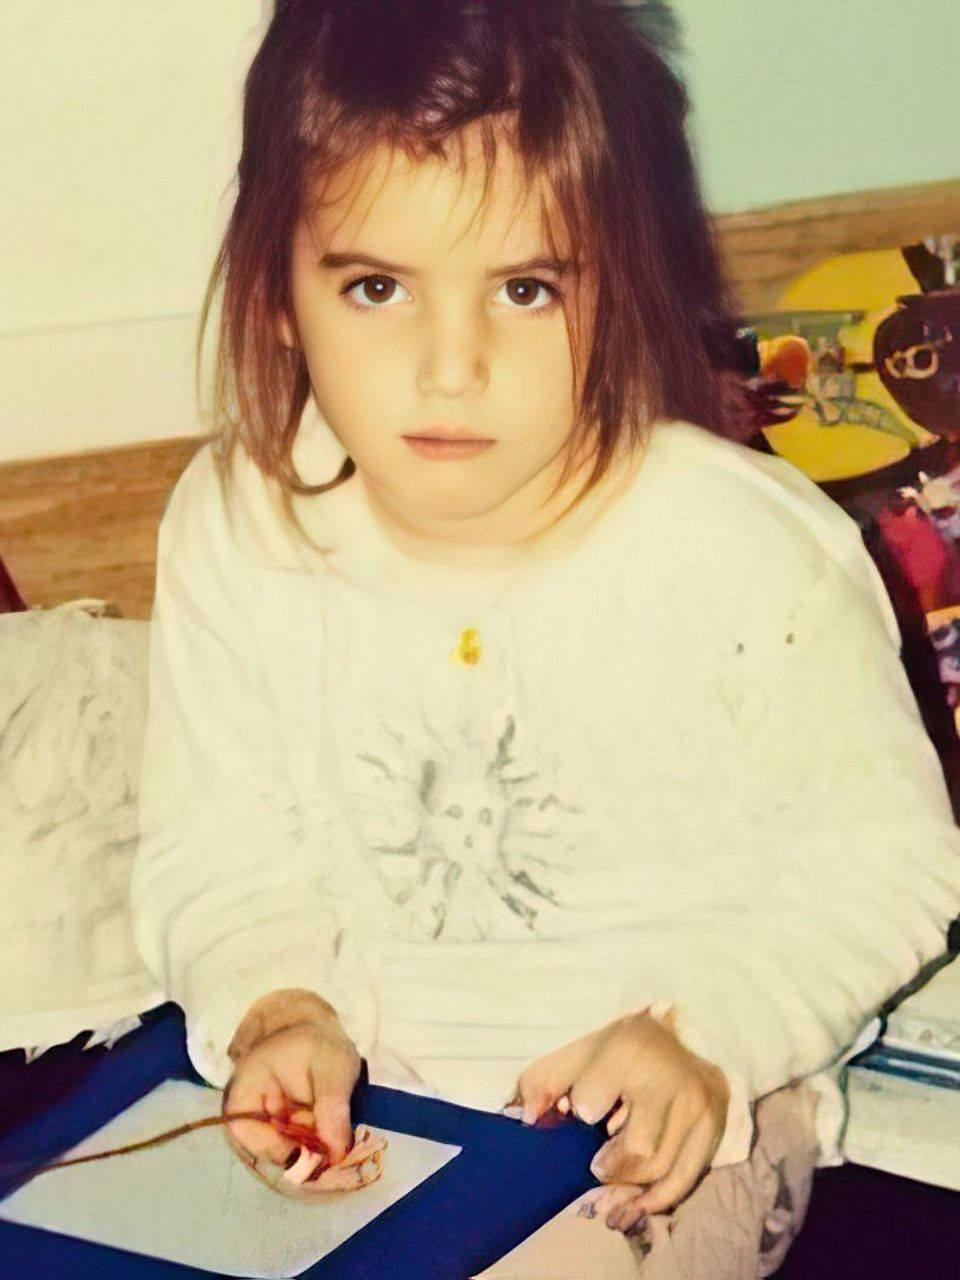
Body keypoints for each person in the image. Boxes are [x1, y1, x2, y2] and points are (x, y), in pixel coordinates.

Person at [130, 2, 960, 1274]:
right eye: (375, 287)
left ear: (613, 283)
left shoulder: (746, 550)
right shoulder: (237, 523)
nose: (450, 366)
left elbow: (887, 862)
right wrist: (274, 1005)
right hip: (367, 1100)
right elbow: (218, 848)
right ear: (278, 293)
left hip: (675, 1108)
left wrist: (710, 1035)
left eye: (524, 289)